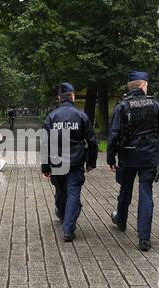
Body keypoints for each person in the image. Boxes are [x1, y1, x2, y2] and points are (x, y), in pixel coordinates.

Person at [107, 71, 159, 252]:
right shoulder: (155, 105)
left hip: (128, 156)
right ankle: (144, 239)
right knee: (146, 194)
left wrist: (111, 158)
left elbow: (113, 135)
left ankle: (121, 221)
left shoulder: (122, 107)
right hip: (149, 157)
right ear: (143, 86)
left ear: (130, 86)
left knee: (125, 189)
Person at [42, 83, 98, 242]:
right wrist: (91, 162)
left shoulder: (52, 117)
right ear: (72, 96)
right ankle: (68, 228)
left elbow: (46, 143)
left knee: (61, 190)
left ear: (59, 98)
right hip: (76, 161)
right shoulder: (81, 116)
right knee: (73, 192)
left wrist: (46, 167)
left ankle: (62, 213)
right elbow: (92, 142)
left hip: (57, 161)